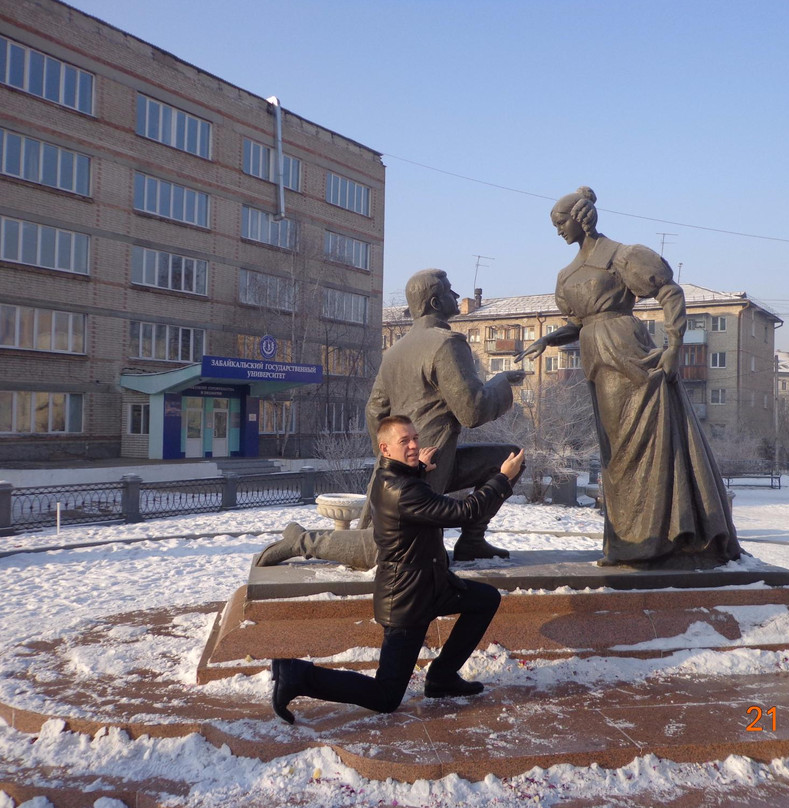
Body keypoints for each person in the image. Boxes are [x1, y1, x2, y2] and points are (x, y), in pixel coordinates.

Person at [515, 187, 741, 567]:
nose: (557, 232)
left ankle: (660, 541)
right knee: (616, 456)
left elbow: (670, 292)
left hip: (632, 355)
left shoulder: (622, 256)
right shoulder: (566, 274)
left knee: (646, 449)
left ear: (581, 217)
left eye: (560, 223)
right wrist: (550, 337)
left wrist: (673, 347)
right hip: (596, 359)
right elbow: (579, 322)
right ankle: (630, 541)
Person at [259, 268, 524, 569]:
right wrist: (501, 383)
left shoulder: (395, 351)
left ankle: (472, 540)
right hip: (426, 465)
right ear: (435, 303)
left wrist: (388, 463)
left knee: (509, 458)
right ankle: (301, 540)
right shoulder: (447, 344)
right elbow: (472, 411)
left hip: (420, 460)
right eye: (450, 290)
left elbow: (374, 410)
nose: (455, 295)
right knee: (380, 552)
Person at [270, 415, 524, 723]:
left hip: (432, 586)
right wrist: (501, 479)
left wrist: (419, 468)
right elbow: (465, 511)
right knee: (387, 696)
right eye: (405, 441)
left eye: (415, 438)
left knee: (485, 599)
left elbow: (407, 484)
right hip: (408, 599)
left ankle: (442, 678)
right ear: (385, 448)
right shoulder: (405, 492)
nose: (415, 445)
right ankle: (296, 675)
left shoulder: (389, 477)